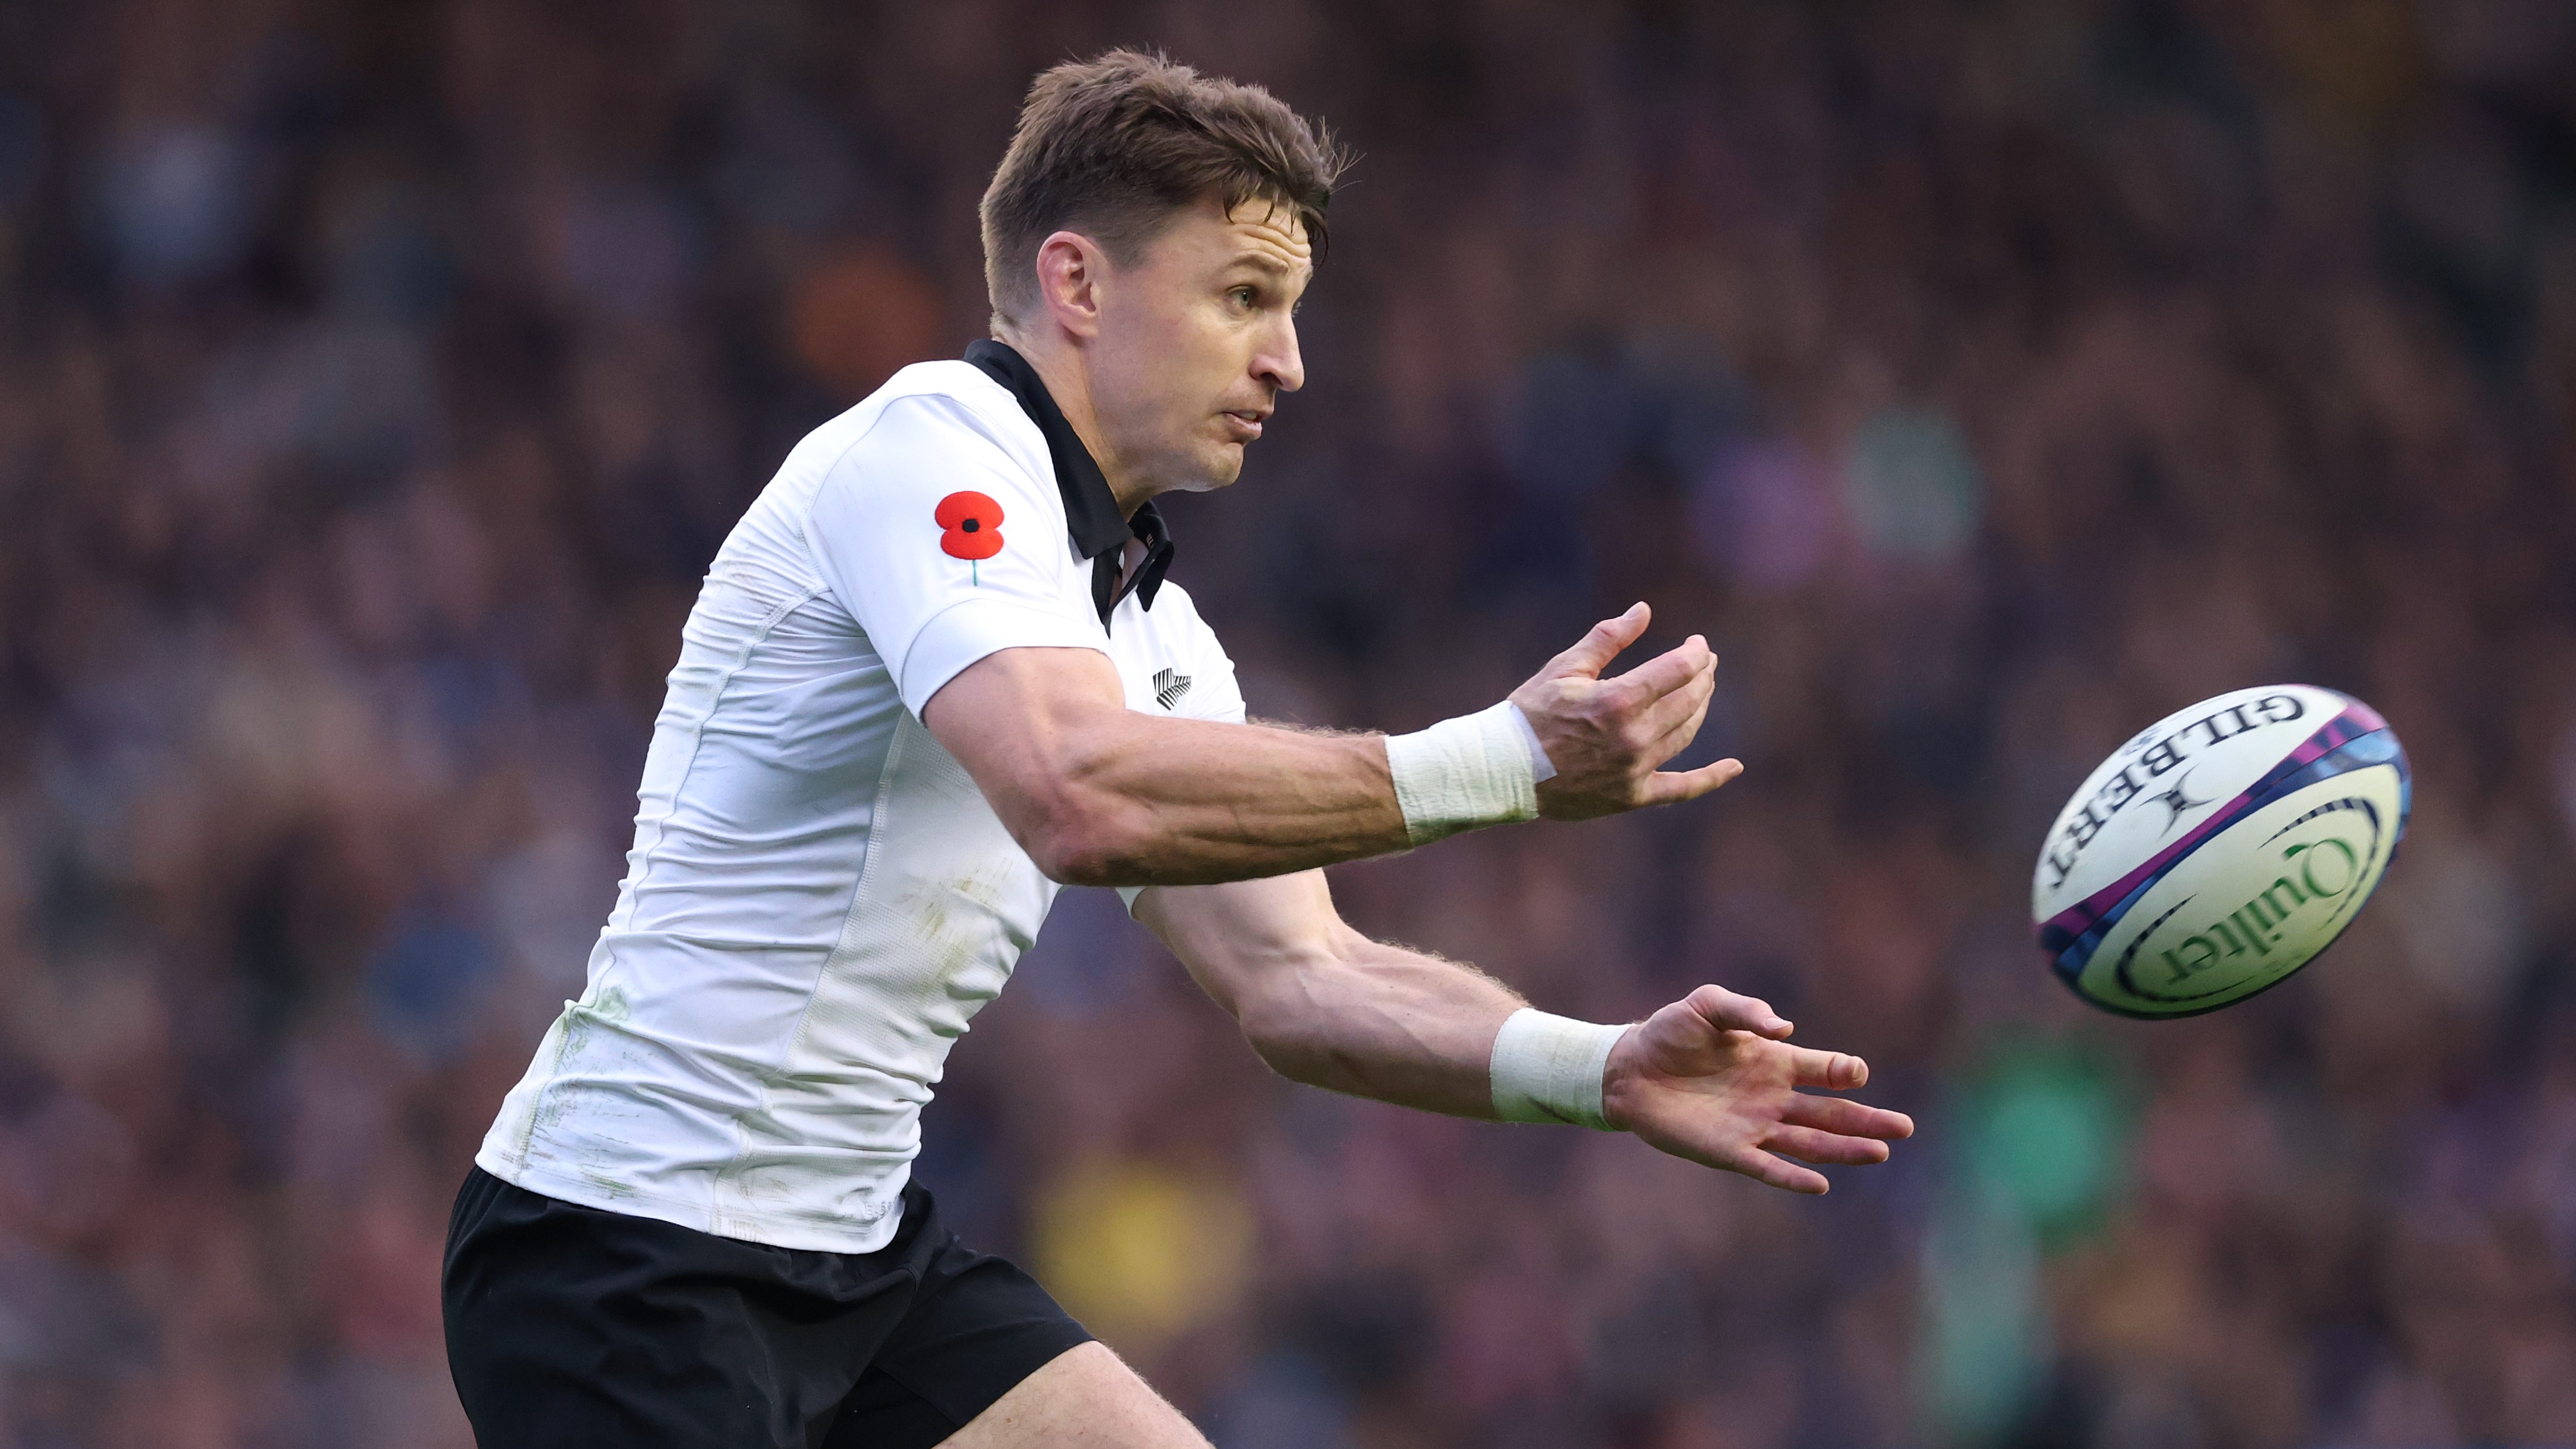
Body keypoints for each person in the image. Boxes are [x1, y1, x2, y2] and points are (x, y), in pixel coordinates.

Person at [441, 48, 1914, 1449]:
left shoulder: (1143, 621)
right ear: (1076, 281)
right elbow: (1072, 796)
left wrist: (1601, 1070)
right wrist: (1500, 765)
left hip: (854, 1257)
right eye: (1246, 295)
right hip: (622, 1255)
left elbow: (1300, 980)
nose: (1288, 361)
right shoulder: (930, 448)